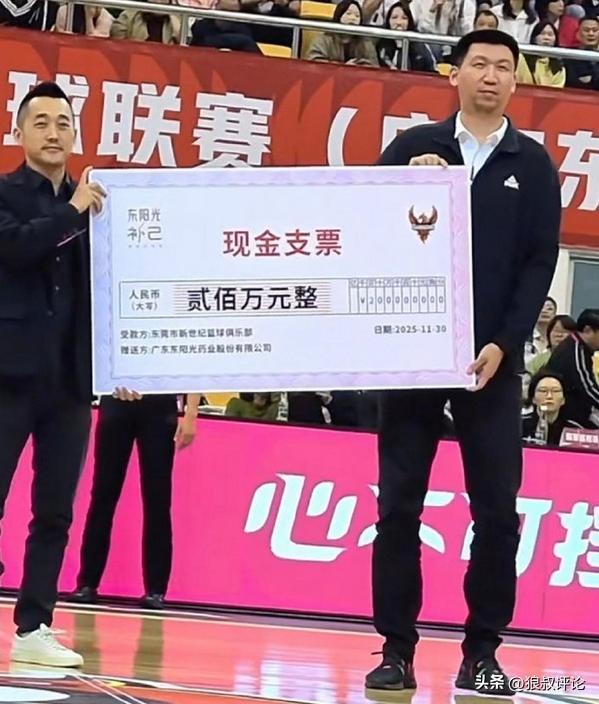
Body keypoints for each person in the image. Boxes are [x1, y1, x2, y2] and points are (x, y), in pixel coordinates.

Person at [366, 30, 561, 696]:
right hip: (414, 358)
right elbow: (363, 229)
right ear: (454, 74)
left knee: (497, 513)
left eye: (504, 66)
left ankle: (482, 652)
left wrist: (504, 343)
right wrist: (402, 189)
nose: (490, 75)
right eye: (478, 64)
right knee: (398, 507)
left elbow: (538, 262)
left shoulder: (531, 164)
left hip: (491, 363)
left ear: (516, 80)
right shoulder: (412, 147)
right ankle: (395, 649)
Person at [0, 82, 106, 667]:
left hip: (70, 381)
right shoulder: (7, 193)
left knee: (55, 511)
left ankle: (35, 625)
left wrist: (119, 363)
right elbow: (17, 249)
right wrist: (72, 210)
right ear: (19, 132)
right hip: (9, 374)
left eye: (63, 122)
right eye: (40, 122)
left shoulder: (97, 205)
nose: (53, 132)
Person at [70, 392, 201, 610]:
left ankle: (156, 589)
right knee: (103, 494)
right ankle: (87, 583)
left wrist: (191, 414)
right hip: (116, 400)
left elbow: (191, 371)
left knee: (158, 498)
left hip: (159, 403)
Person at [544, 308, 599, 428]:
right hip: (567, 416)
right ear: (588, 330)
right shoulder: (575, 350)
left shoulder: (577, 345)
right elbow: (587, 388)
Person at [306, 0, 378, 67]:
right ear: (339, 15)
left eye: (357, 16)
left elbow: (374, 67)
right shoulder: (324, 39)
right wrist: (342, 67)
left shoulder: (365, 42)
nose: (353, 18)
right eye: (348, 13)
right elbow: (313, 62)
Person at [522, 371, 581, 446]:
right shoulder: (519, 426)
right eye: (543, 391)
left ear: (563, 400)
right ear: (533, 398)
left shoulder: (575, 430)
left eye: (555, 391)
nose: (549, 396)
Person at [516, 22, 566, 87]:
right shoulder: (522, 59)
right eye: (542, 34)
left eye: (550, 34)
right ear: (534, 38)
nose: (546, 38)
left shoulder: (559, 67)